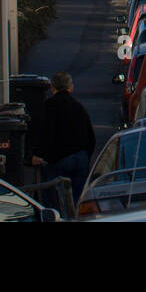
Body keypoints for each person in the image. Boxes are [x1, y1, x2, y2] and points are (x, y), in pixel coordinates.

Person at [29, 72, 95, 209]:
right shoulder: (78, 107)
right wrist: (85, 156)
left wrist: (37, 154)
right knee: (78, 200)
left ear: (53, 88)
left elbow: (43, 133)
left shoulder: (48, 107)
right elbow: (91, 137)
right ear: (71, 87)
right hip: (80, 157)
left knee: (55, 200)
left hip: (58, 159)